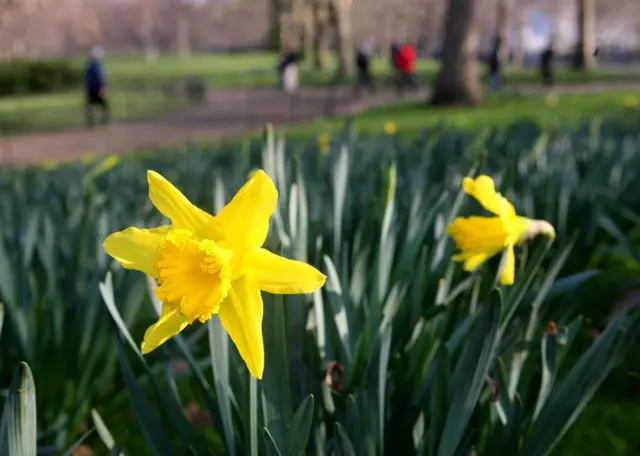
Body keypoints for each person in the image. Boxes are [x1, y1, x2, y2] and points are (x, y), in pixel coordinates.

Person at [84, 46, 109, 127]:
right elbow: (99, 77)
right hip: (96, 88)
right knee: (103, 105)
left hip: (90, 88)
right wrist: (102, 87)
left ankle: (91, 122)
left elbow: (87, 78)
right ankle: (103, 121)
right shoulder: (96, 66)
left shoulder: (90, 65)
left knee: (90, 106)